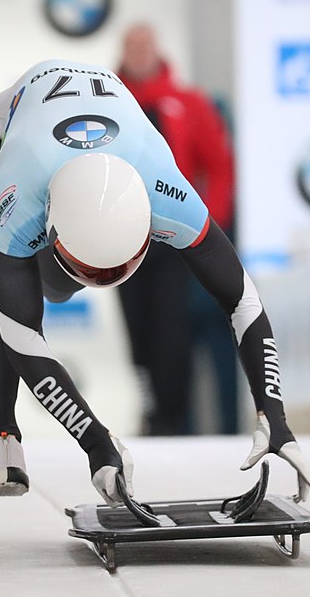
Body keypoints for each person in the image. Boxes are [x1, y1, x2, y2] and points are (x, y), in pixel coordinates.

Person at [0, 58, 310, 506]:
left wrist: (274, 415)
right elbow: (22, 338)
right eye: (90, 269)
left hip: (93, 142)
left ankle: (7, 427)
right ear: (50, 233)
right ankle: (1, 438)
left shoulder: (168, 193)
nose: (103, 281)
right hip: (2, 137)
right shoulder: (20, 202)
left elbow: (242, 299)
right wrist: (95, 442)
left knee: (48, 285)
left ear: (151, 225)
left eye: (116, 270)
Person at [116, 23, 238, 435]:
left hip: (172, 239)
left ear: (157, 50)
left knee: (173, 330)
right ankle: (152, 414)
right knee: (137, 332)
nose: (138, 54)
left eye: (144, 46)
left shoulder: (188, 102)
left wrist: (210, 226)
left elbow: (219, 167)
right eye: (131, 47)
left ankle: (175, 420)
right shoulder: (110, 104)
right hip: (121, 239)